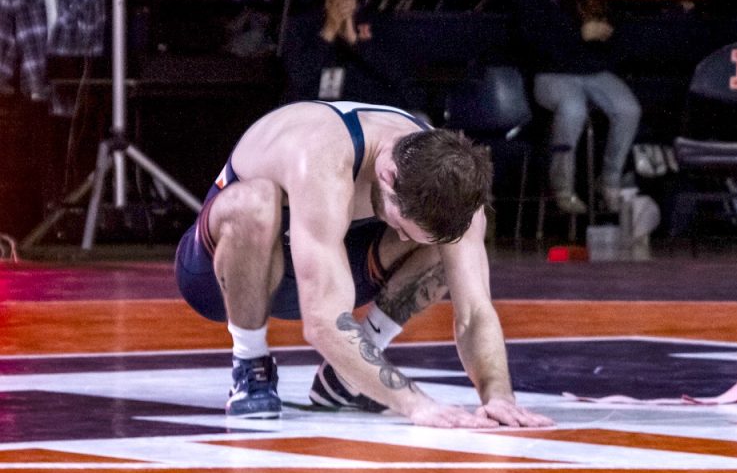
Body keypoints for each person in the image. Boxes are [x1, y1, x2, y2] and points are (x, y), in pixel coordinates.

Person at [174, 100, 553, 427]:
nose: (401, 238)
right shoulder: (322, 155)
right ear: (388, 176)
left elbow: (474, 312)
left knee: (446, 247)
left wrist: (498, 395)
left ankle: (345, 379)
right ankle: (250, 364)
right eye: (403, 227)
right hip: (222, 277)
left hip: (330, 261)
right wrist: (414, 404)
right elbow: (322, 322)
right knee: (253, 202)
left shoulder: (450, 182)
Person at [516, 0, 642, 214]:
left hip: (590, 70)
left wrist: (604, 34)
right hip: (552, 73)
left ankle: (609, 182)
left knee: (628, 109)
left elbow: (613, 31)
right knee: (573, 110)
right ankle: (562, 188)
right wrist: (579, 35)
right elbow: (533, 40)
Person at [279, 0, 425, 113]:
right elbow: (296, 77)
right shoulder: (302, 24)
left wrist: (356, 42)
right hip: (315, 115)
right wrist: (328, 33)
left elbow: (401, 78)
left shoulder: (381, 23)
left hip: (370, 114)